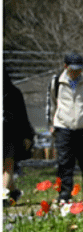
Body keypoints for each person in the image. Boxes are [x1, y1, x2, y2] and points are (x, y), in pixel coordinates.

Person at [46, 52, 83, 202]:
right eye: (73, 69)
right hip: (63, 126)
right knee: (64, 163)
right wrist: (51, 125)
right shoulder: (56, 81)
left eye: (79, 69)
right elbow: (51, 104)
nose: (77, 72)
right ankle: (65, 194)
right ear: (65, 67)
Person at [4, 69, 36, 206]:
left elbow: (22, 117)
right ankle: (14, 191)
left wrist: (27, 135)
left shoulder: (13, 93)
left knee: (7, 166)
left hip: (10, 133)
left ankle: (2, 197)